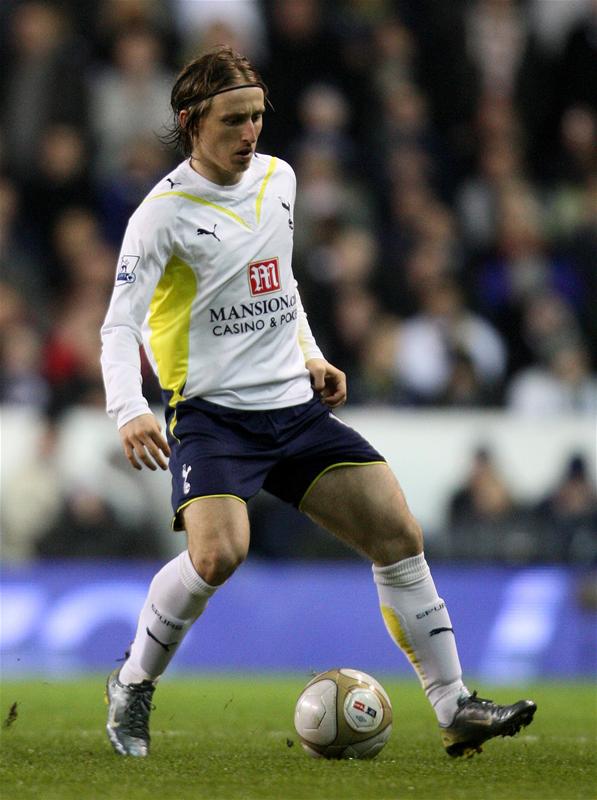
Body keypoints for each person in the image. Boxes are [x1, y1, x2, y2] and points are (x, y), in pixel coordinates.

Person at [100, 46, 536, 759]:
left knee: (398, 532)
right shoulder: (161, 216)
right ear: (190, 121)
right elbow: (119, 325)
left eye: (257, 117)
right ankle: (132, 683)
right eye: (233, 120)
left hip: (294, 410)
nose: (250, 132)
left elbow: (278, 281)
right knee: (217, 555)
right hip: (213, 416)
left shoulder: (280, 179)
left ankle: (455, 707)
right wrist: (129, 408)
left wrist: (309, 352)